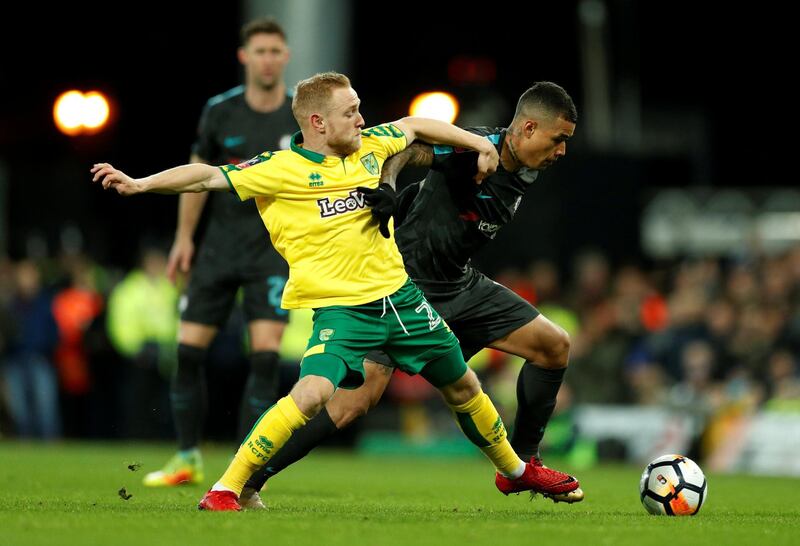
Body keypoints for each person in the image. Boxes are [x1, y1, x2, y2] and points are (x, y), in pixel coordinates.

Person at [92, 71, 576, 512]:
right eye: (351, 111)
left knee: (493, 372)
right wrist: (140, 184)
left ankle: (519, 469)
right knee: (331, 400)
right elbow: (206, 175)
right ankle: (234, 484)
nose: (362, 119)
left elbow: (410, 123)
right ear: (319, 122)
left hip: (416, 294)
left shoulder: (372, 147)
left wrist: (472, 142)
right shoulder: (282, 168)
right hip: (361, 304)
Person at [242, 82, 584, 504]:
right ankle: (249, 479)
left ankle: (525, 465)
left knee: (554, 345)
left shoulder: (528, 166)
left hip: (460, 283)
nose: (562, 151)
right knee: (353, 402)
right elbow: (409, 147)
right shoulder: (473, 149)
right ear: (528, 128)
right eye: (559, 139)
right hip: (403, 286)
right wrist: (386, 184)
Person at [142, 18, 298, 487]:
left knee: (265, 358)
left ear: (285, 56)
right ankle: (186, 456)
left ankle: (243, 469)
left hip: (271, 251)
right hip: (217, 250)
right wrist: (184, 239)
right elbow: (196, 180)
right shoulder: (220, 112)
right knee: (188, 353)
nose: (268, 58)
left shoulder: (299, 116)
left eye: (275, 50)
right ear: (244, 57)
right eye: (260, 50)